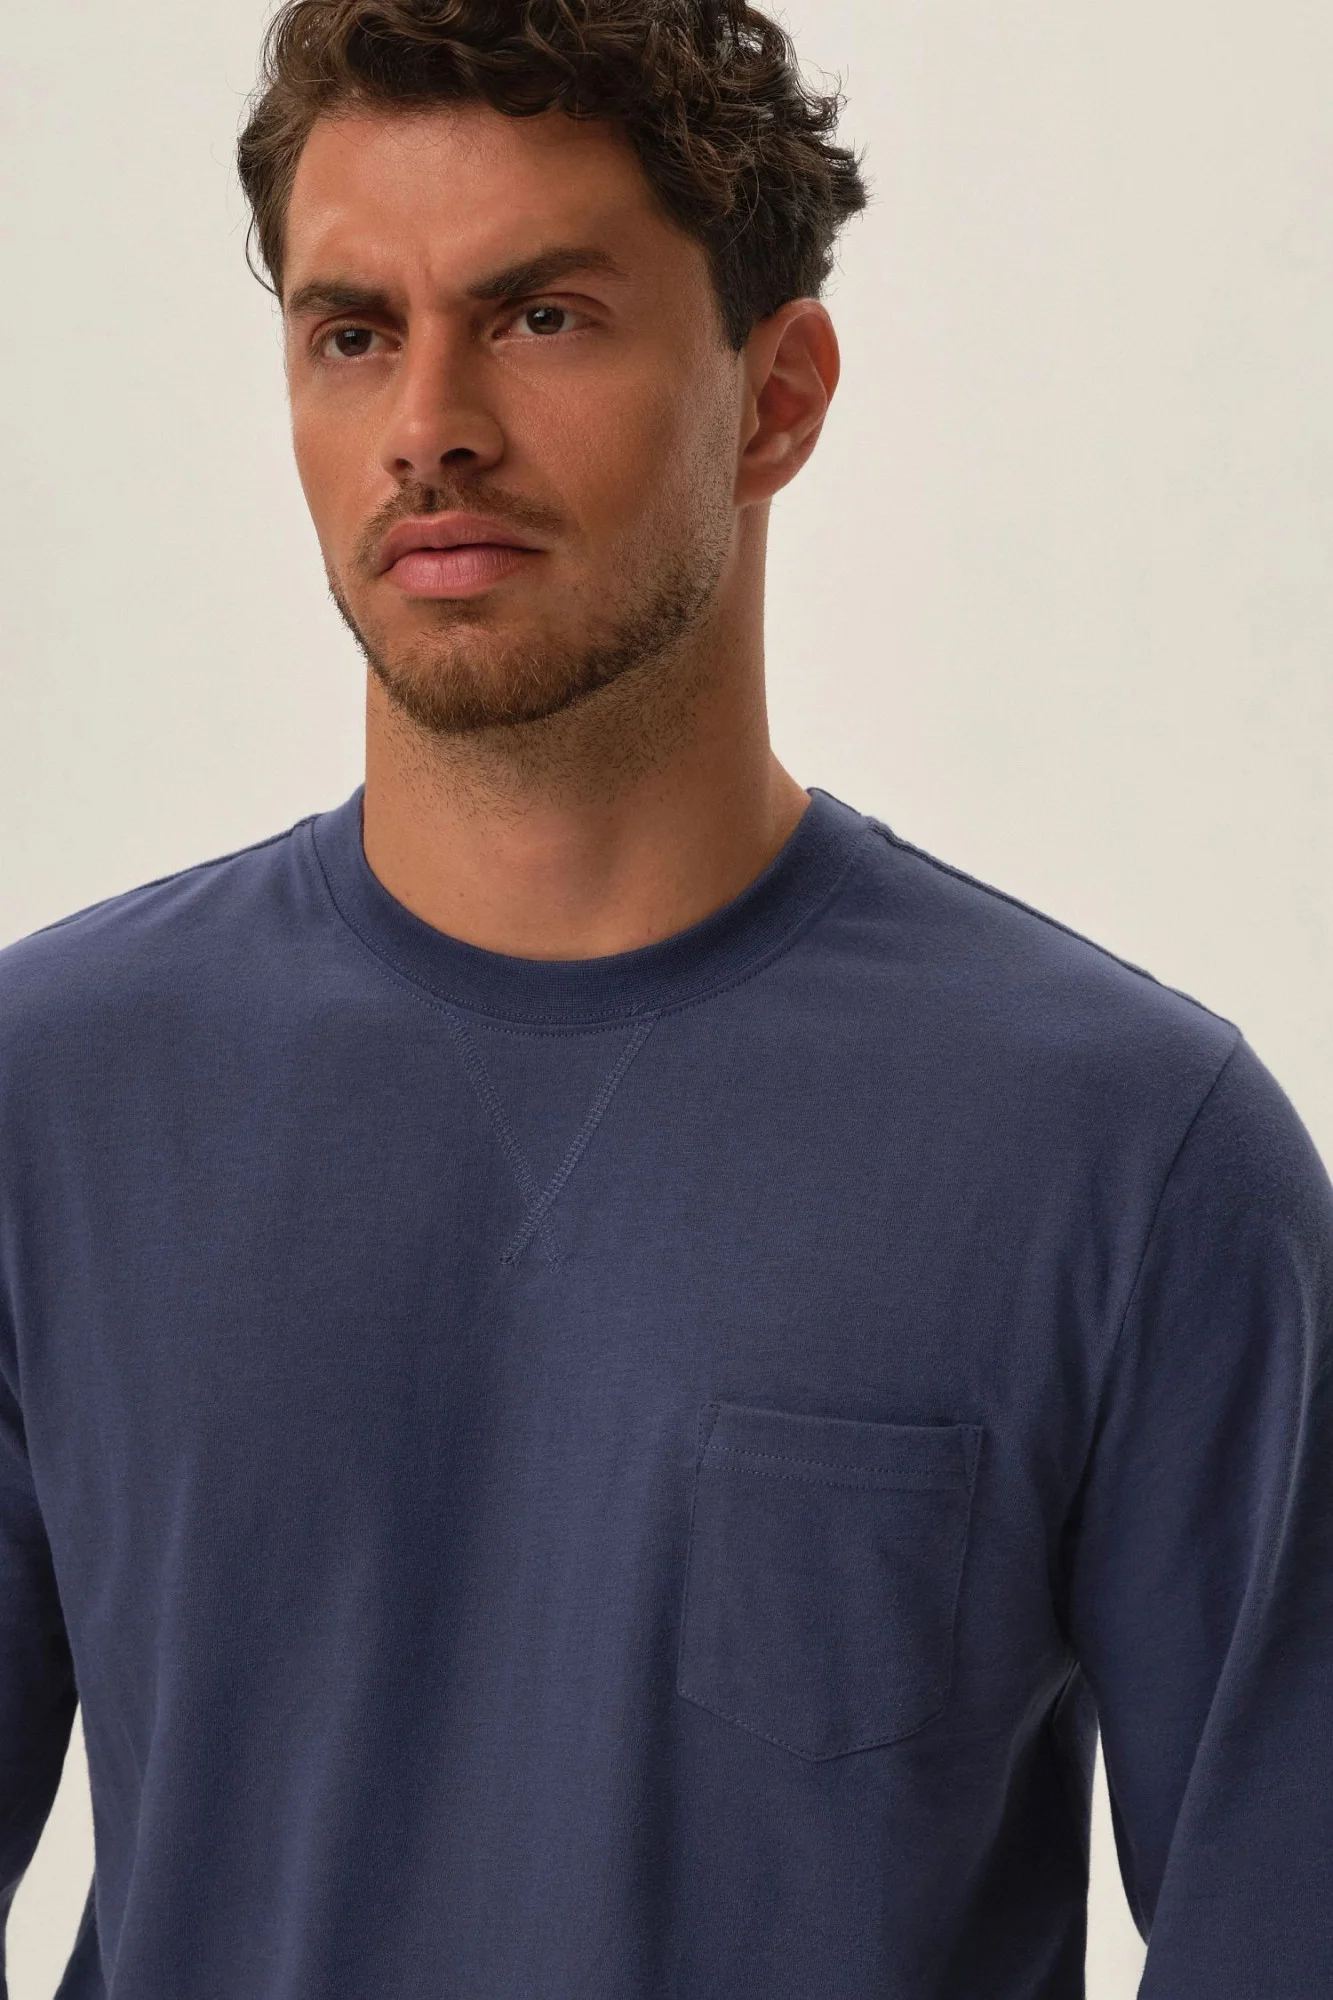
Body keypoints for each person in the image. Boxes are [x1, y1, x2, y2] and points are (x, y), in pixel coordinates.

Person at [1, 2, 1328, 1994]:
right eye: (353, 331)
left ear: (776, 397)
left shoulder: (1131, 1156)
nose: (428, 422)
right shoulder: (48, 1104)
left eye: (541, 317)